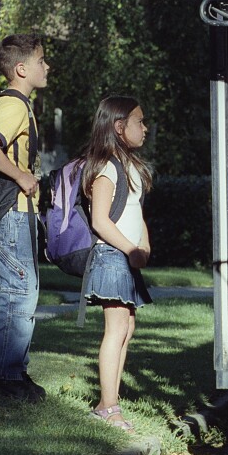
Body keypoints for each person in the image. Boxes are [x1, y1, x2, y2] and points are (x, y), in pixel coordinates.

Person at [0, 34, 48, 401]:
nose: (47, 67)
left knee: (23, 291)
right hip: (12, 213)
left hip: (21, 212)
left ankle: (12, 370)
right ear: (21, 69)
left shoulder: (22, 105)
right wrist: (21, 176)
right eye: (41, 61)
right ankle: (0, 375)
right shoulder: (13, 105)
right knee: (14, 291)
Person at [82, 95, 153, 432]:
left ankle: (108, 403)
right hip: (112, 256)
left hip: (125, 257)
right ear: (120, 127)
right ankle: (109, 407)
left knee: (127, 328)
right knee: (116, 329)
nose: (145, 128)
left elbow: (135, 213)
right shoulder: (106, 167)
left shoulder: (129, 166)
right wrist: (130, 248)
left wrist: (144, 245)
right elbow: (100, 220)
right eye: (140, 121)